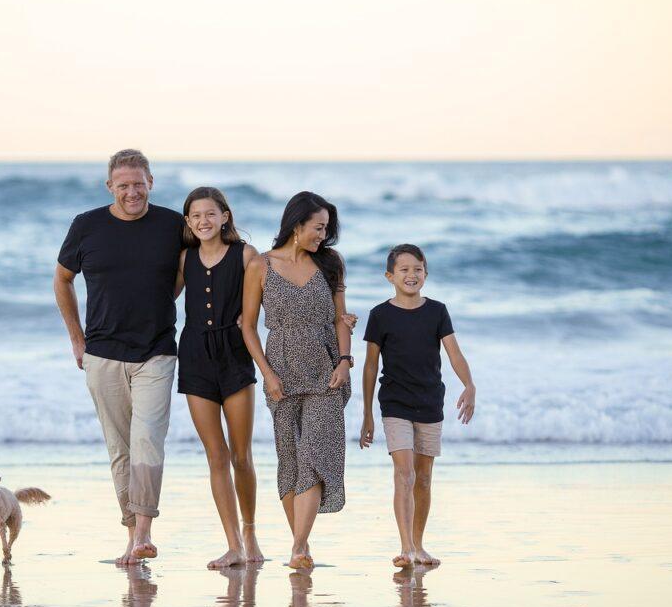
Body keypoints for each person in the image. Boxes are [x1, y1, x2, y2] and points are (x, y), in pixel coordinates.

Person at [53, 149, 184, 565]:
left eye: (139, 183)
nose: (132, 192)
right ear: (110, 186)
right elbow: (62, 279)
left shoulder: (172, 224)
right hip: (102, 353)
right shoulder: (86, 226)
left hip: (157, 351)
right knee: (120, 448)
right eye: (123, 185)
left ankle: (144, 531)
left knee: (148, 441)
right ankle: (132, 536)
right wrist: (77, 339)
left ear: (151, 182)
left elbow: (191, 268)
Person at [241, 191, 352, 570]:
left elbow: (340, 318)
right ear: (296, 224)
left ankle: (300, 546)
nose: (323, 235)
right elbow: (248, 326)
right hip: (281, 371)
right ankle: (299, 547)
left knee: (315, 455)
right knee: (288, 460)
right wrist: (267, 374)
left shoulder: (331, 263)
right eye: (318, 228)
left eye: (326, 229)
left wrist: (345, 361)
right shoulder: (260, 266)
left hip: (326, 369)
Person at [359, 243, 476, 568]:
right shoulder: (380, 315)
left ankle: (419, 545)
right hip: (394, 403)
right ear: (390, 276)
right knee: (405, 473)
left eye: (418, 270)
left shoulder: (437, 311)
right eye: (404, 270)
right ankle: (406, 547)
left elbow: (453, 352)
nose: (411, 275)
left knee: (424, 478)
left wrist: (469, 384)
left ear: (426, 273)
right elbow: (370, 366)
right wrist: (367, 412)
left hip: (430, 403)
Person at [177, 187, 264, 568]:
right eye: (195, 216)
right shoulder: (184, 259)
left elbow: (264, 304)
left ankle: (249, 530)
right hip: (194, 356)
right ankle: (232, 544)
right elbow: (159, 299)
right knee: (216, 455)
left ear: (225, 216)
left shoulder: (245, 255)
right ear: (188, 222)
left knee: (241, 456)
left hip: (234, 356)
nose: (203, 221)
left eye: (210, 214)